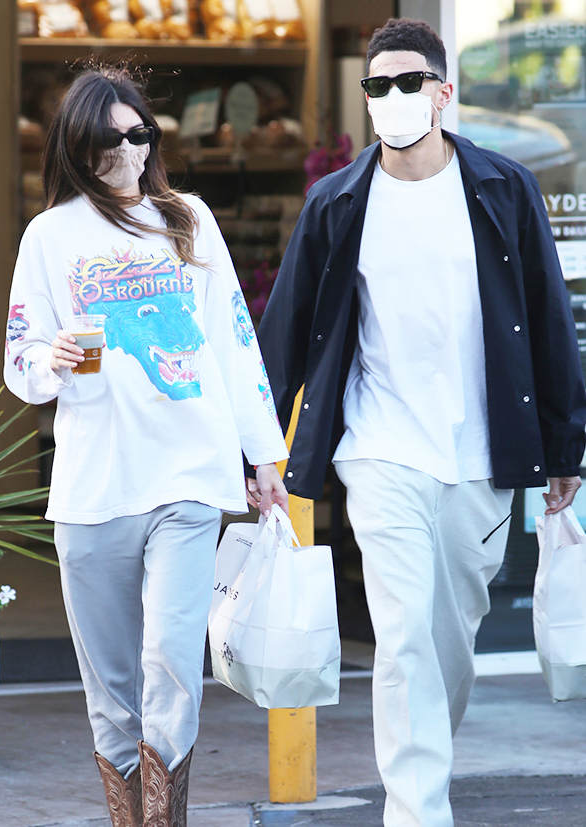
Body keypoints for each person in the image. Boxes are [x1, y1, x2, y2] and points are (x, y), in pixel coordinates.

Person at [255, 17, 586, 827]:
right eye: (379, 85)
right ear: (366, 98)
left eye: (410, 82)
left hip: (480, 454)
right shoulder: (337, 202)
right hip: (381, 451)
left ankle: (425, 770)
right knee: (403, 638)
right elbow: (285, 331)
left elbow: (548, 318)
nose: (394, 96)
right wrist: (258, 446)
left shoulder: (503, 188)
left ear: (444, 93)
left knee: (449, 643)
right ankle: (416, 812)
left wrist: (564, 444)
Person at [4, 65, 288, 827]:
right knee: (111, 689)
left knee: (171, 661)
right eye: (110, 140)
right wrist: (51, 358)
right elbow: (20, 363)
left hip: (188, 475)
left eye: (141, 134)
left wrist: (263, 455)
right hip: (94, 484)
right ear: (77, 147)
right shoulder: (50, 235)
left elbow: (233, 338)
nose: (129, 150)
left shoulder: (187, 219)